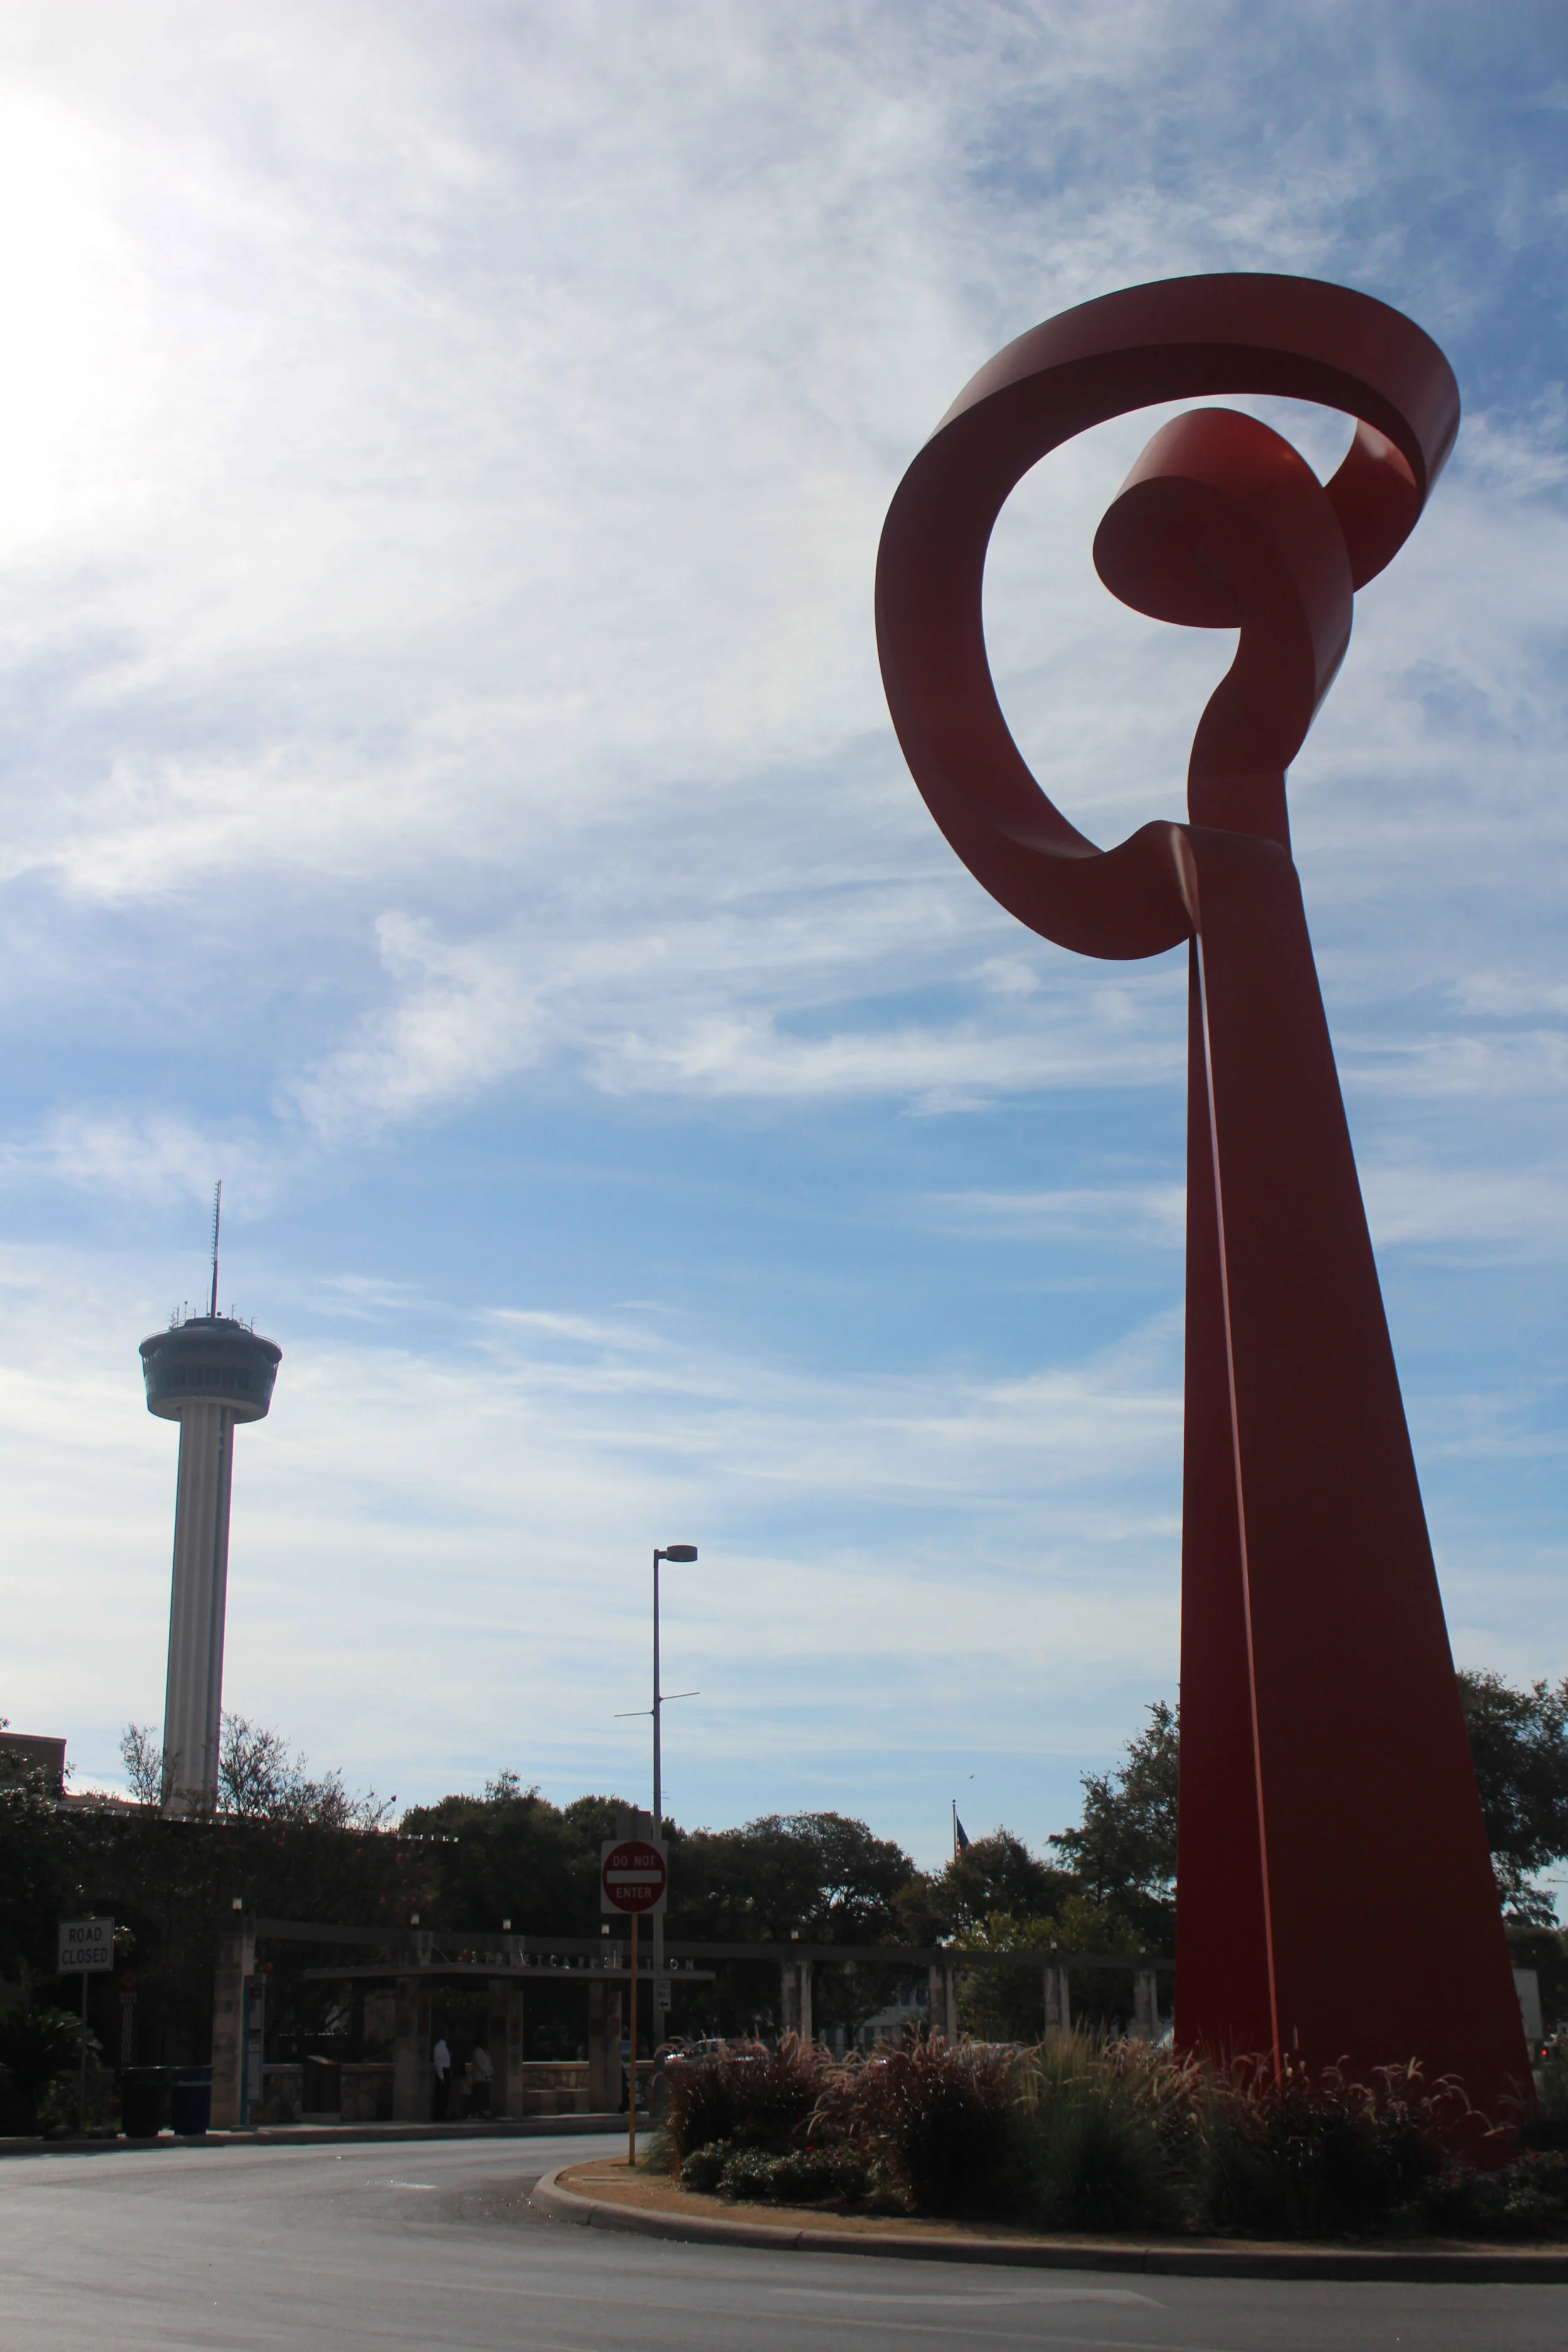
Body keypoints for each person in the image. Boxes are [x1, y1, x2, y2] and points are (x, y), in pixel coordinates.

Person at [469, 2037, 494, 2119]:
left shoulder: (486, 2052)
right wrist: (488, 2073)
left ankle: (483, 2112)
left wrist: (491, 2072)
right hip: (480, 2078)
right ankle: (477, 2113)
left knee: (485, 2096)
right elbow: (481, 2065)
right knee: (479, 2096)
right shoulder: (477, 2052)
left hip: (486, 2079)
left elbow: (489, 2064)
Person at [432, 2032, 451, 2121]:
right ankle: (439, 2115)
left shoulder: (444, 2047)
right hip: (443, 2071)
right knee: (441, 2095)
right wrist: (441, 2076)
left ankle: (442, 2113)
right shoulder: (440, 2047)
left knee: (445, 2095)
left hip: (446, 2071)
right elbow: (439, 2063)